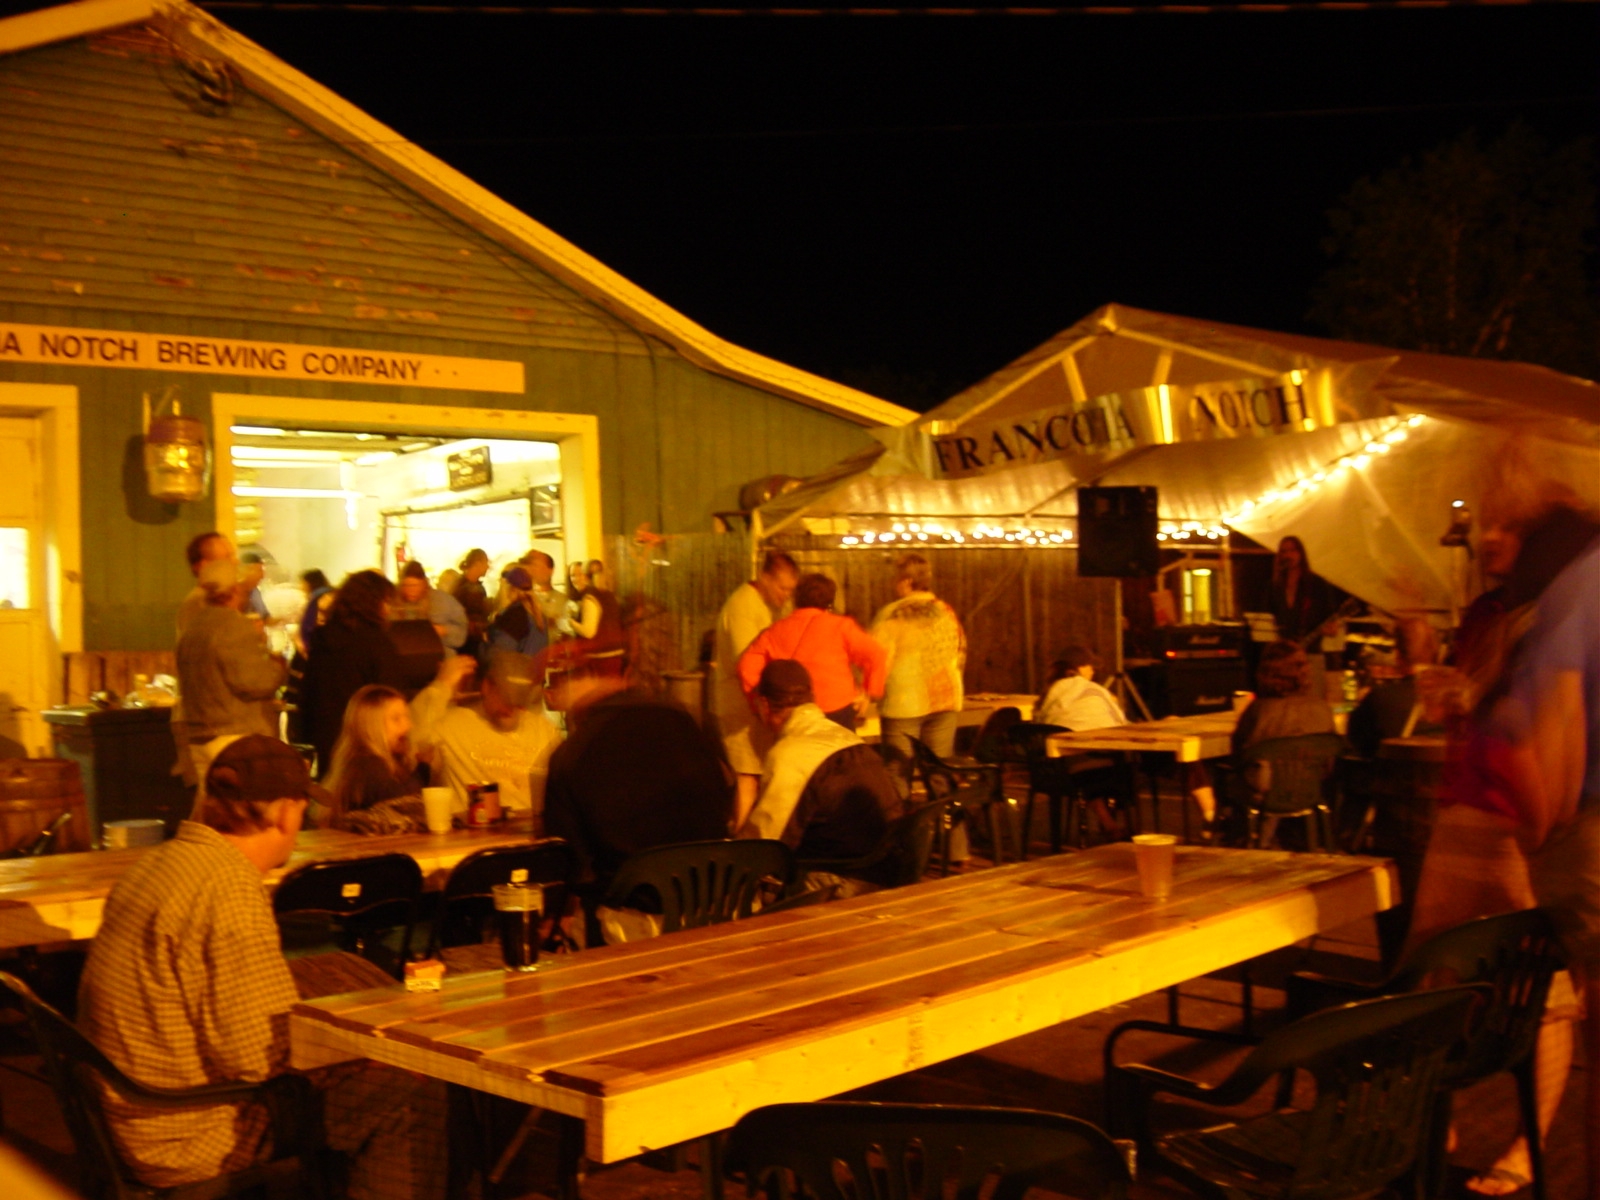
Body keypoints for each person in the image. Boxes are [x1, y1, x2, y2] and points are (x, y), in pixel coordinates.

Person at [77, 736, 447, 1199]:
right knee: (408, 1087)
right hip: (190, 1133)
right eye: (300, 807)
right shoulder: (227, 888)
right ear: (282, 812)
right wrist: (362, 1051)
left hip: (129, 1109)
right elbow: (256, 1057)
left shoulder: (157, 864)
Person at [1405, 493, 1599, 1197]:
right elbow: (1446, 707)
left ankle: (1528, 1147)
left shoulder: (1562, 606)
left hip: (1521, 818)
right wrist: (1426, 662)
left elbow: (1545, 724)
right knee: (1432, 975)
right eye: (1483, 522)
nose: (1487, 536)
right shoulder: (1487, 613)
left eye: (1506, 525)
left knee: (1538, 997)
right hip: (1465, 809)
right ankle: (1435, 1127)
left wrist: (1481, 703)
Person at [543, 667, 731, 894]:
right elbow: (726, 800)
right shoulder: (691, 722)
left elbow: (568, 859)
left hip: (633, 910)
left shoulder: (573, 753)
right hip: (717, 896)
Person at [737, 660, 903, 887]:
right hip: (889, 869)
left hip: (847, 883)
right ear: (812, 698)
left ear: (764, 705)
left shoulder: (791, 754)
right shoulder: (848, 739)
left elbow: (763, 845)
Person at [174, 559, 287, 794]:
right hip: (233, 739)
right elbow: (255, 682)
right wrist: (277, 665)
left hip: (198, 736)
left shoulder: (191, 629)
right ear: (235, 591)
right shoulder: (234, 626)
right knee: (238, 813)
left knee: (210, 810)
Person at [410, 650, 562, 819]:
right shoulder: (451, 726)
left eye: (518, 700)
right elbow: (412, 743)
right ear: (486, 686)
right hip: (475, 838)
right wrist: (441, 686)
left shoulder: (543, 731)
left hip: (534, 837)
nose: (510, 708)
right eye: (505, 698)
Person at [713, 549, 800, 827]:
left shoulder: (764, 605)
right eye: (782, 587)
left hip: (755, 706)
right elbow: (748, 663)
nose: (785, 595)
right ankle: (740, 844)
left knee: (758, 778)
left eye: (790, 590)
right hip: (743, 708)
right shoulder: (744, 606)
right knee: (748, 778)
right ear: (764, 577)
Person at [738, 573, 886, 731]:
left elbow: (746, 666)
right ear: (830, 601)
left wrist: (762, 703)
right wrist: (868, 692)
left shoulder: (775, 631)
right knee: (840, 753)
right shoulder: (841, 627)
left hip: (792, 713)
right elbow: (875, 654)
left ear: (796, 598)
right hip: (837, 707)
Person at [869, 553, 967, 782]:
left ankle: (901, 816)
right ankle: (944, 817)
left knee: (899, 772)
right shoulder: (947, 612)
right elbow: (961, 652)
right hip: (946, 700)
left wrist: (866, 693)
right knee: (940, 771)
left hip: (903, 704)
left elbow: (876, 658)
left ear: (905, 582)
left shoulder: (892, 614)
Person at [300, 570, 405, 779]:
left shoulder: (323, 638)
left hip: (327, 735)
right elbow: (390, 692)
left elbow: (309, 690)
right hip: (364, 739)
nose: (389, 609)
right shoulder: (376, 643)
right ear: (373, 602)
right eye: (386, 601)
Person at [322, 684, 424, 832]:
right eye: (396, 719)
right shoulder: (370, 767)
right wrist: (423, 768)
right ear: (371, 726)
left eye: (406, 717)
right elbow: (410, 810)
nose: (408, 726)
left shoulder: (361, 762)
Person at [1347, 618, 1444, 758]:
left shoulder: (1379, 698)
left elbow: (1355, 743)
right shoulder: (1457, 697)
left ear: (1398, 656)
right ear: (1436, 652)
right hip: (1450, 778)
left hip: (1396, 777)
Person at [1231, 641, 1335, 759]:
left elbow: (1238, 752)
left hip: (1265, 776)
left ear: (1265, 672)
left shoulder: (1257, 713)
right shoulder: (1323, 710)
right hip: (1317, 777)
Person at [1036, 645, 1126, 731]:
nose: (1092, 671)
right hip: (1099, 742)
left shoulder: (1048, 694)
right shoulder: (1094, 690)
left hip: (1058, 744)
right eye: (1090, 666)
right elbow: (1120, 722)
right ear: (1080, 667)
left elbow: (1040, 723)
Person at [1269, 536, 1336, 645]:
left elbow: (1330, 618)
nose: (1288, 555)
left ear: (1301, 554)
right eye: (1284, 551)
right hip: (1283, 651)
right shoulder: (1274, 586)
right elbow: (1268, 617)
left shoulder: (1317, 584)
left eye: (1292, 550)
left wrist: (1330, 628)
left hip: (1311, 650)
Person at [564, 558, 626, 677]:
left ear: (587, 576)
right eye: (573, 575)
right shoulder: (608, 595)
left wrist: (569, 622)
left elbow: (588, 632)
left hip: (601, 656)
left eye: (580, 574)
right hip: (614, 654)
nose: (577, 579)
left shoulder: (590, 598)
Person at [391, 560, 467, 652]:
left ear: (424, 584)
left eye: (415, 585)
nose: (411, 590)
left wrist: (444, 630)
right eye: (407, 585)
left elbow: (462, 630)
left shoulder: (443, 601)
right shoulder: (393, 603)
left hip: (438, 655)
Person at [487, 566, 549, 659]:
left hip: (516, 672)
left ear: (510, 588)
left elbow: (501, 653)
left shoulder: (514, 615)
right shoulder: (539, 615)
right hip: (536, 672)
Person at [452, 548, 493, 654]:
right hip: (469, 642)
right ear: (478, 563)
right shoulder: (470, 589)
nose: (488, 567)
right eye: (486, 563)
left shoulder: (462, 585)